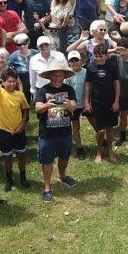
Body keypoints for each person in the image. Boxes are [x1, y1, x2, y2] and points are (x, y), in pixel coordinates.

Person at [34, 61, 78, 203]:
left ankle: (62, 175)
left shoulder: (69, 89)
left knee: (64, 157)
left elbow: (73, 107)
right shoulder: (43, 90)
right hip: (47, 133)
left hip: (65, 132)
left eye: (60, 76)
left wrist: (67, 104)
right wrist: (47, 105)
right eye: (54, 76)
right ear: (49, 77)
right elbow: (37, 108)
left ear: (64, 76)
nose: (57, 79)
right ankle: (47, 187)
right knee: (47, 160)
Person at [0, 66, 29, 192]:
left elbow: (26, 110)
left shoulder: (20, 95)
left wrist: (22, 125)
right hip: (4, 131)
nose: (11, 84)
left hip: (18, 131)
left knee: (21, 154)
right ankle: (9, 179)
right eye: (8, 81)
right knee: (7, 156)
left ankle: (22, 177)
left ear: (16, 82)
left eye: (13, 81)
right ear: (3, 82)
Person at [85, 44, 120, 164]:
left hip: (110, 101)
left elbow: (117, 83)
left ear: (106, 56)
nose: (98, 59)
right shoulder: (91, 67)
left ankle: (110, 151)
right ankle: (99, 151)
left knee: (110, 128)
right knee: (101, 130)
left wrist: (116, 101)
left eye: (100, 56)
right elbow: (88, 85)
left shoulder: (112, 66)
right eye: (96, 56)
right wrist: (86, 102)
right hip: (97, 101)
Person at [64, 51, 87, 160]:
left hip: (86, 103)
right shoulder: (68, 75)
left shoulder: (86, 72)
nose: (74, 63)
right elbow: (66, 92)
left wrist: (89, 102)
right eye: (72, 61)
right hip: (74, 106)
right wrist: (70, 107)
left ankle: (103, 140)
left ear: (81, 61)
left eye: (76, 60)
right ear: (69, 63)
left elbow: (89, 89)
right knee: (75, 127)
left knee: (94, 122)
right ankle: (79, 147)